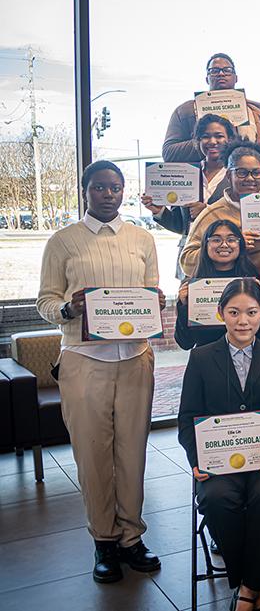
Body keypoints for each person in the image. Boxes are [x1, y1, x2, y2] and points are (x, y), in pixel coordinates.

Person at [37, 160, 165, 583]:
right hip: (83, 359)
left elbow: (151, 291)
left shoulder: (142, 238)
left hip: (135, 359)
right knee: (92, 456)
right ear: (86, 190)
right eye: (99, 188)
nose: (108, 194)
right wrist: (67, 308)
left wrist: (155, 304)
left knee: (132, 453)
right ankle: (104, 541)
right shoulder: (63, 241)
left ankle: (131, 537)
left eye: (115, 187)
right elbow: (46, 300)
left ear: (123, 191)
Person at [176, 278, 260, 611]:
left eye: (252, 312)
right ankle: (254, 584)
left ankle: (249, 587)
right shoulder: (201, 358)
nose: (243, 321)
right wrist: (197, 459)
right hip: (218, 463)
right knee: (216, 498)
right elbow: (188, 418)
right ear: (220, 313)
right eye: (234, 312)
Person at [143, 114, 236, 278]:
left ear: (229, 139)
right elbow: (180, 225)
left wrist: (207, 211)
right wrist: (159, 211)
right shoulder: (185, 174)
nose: (212, 141)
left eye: (219, 136)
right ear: (197, 141)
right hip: (191, 258)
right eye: (206, 137)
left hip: (227, 257)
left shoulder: (237, 175)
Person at [181, 141, 260, 278]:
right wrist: (230, 244)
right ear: (229, 175)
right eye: (242, 173)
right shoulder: (213, 213)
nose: (250, 178)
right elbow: (186, 262)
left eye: (257, 172)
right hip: (232, 289)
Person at [174, 218, 260, 350]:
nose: (224, 245)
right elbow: (185, 343)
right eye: (216, 240)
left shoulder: (254, 283)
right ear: (205, 245)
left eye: (231, 239)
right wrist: (183, 306)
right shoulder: (192, 287)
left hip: (251, 360)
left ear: (240, 244)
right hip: (209, 362)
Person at [163, 53, 260, 162]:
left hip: (243, 175)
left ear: (236, 78)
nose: (221, 74)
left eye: (227, 70)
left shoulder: (252, 112)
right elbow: (168, 153)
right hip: (202, 176)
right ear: (207, 79)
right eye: (214, 71)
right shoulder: (186, 110)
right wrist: (205, 141)